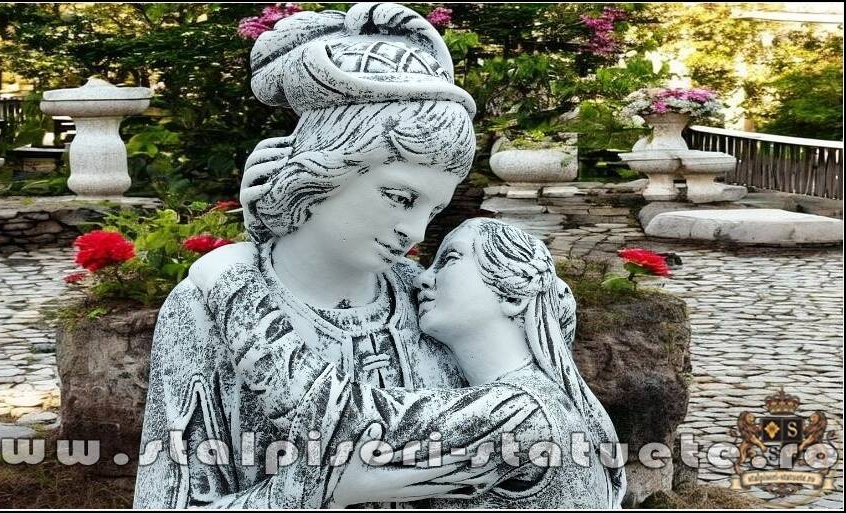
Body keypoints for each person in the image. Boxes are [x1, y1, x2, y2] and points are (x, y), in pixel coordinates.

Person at [135, 3, 483, 508]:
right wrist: (314, 492)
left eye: (434, 210)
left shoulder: (425, 296)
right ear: (321, 172)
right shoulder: (204, 306)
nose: (414, 232)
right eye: (400, 197)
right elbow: (168, 499)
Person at [190, 218, 626, 508]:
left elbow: (339, 420)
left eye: (449, 259)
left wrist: (230, 281)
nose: (422, 277)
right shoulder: (541, 401)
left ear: (513, 294)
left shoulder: (525, 412)